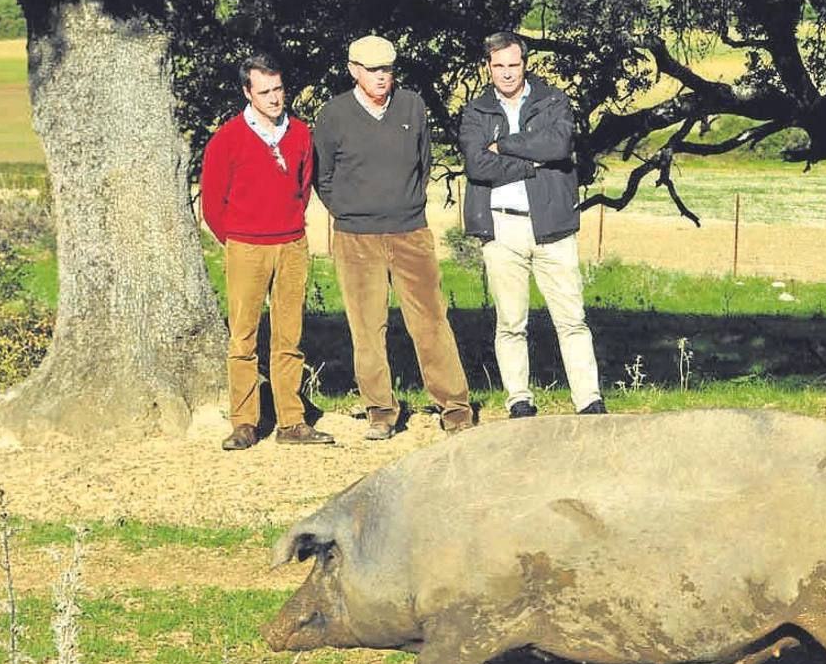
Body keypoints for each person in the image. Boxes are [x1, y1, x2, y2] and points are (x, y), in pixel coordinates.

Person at [314, 35, 475, 439]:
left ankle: (455, 408)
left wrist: (405, 204)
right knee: (367, 327)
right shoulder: (333, 114)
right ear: (353, 70)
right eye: (372, 69)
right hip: (355, 237)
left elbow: (423, 162)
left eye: (387, 68)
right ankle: (381, 411)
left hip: (410, 231)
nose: (381, 76)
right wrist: (350, 210)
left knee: (431, 321)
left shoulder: (412, 106)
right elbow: (323, 176)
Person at [459, 31, 604, 419]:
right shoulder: (475, 111)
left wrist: (502, 145)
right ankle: (519, 400)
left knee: (572, 319)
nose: (507, 73)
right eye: (499, 66)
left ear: (525, 64)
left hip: (552, 225)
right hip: (502, 229)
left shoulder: (553, 100)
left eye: (514, 64)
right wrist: (530, 161)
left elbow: (557, 147)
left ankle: (589, 400)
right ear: (488, 67)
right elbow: (476, 165)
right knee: (510, 322)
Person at [200, 53, 334, 450]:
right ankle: (245, 422)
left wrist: (289, 228)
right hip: (246, 247)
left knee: (289, 336)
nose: (275, 98)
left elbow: (304, 184)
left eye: (278, 89)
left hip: (292, 244)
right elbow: (212, 204)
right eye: (265, 92)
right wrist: (240, 240)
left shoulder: (300, 134)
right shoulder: (227, 138)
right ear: (247, 93)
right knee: (243, 338)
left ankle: (291, 421)